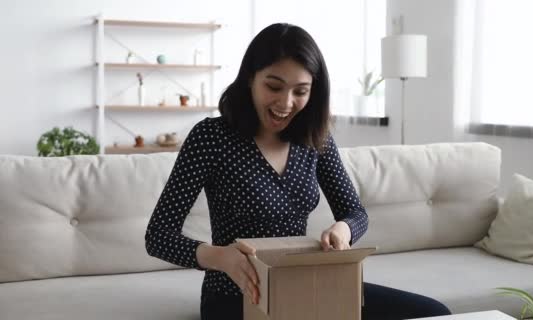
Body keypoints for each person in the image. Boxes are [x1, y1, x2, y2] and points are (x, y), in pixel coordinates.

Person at [145, 23, 451, 320]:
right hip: (234, 295)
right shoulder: (211, 137)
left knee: (433, 313)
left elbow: (356, 213)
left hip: (306, 283)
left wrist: (342, 229)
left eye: (300, 91)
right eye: (274, 86)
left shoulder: (314, 138)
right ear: (251, 78)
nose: (286, 103)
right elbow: (158, 236)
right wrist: (220, 257)